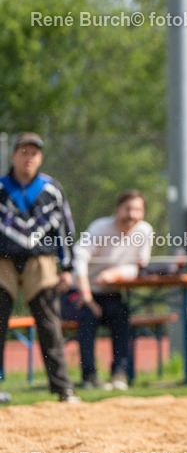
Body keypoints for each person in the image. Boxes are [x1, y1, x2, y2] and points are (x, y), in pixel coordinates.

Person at [0, 132, 80, 402]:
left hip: (41, 261)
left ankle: (62, 389)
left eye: (34, 153)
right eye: (24, 152)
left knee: (49, 325)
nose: (28, 158)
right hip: (3, 262)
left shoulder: (51, 190)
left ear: (40, 158)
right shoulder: (1, 187)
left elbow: (66, 230)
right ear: (13, 155)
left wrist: (68, 268)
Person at [72, 189, 153, 389]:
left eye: (137, 210)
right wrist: (87, 297)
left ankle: (119, 374)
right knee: (87, 318)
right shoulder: (100, 228)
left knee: (121, 318)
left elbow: (140, 265)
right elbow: (79, 257)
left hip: (113, 294)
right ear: (118, 209)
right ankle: (89, 376)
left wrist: (116, 273)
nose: (132, 215)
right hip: (84, 292)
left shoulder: (145, 231)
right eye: (128, 209)